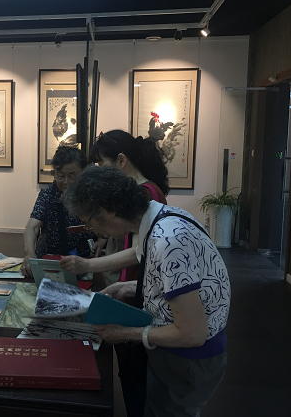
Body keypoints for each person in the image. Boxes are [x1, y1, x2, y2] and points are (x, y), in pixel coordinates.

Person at [63, 166, 230, 417]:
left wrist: (125, 333)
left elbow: (193, 333)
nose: (94, 230)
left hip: (187, 358)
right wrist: (127, 286)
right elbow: (170, 280)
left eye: (89, 222)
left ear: (107, 211)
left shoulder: (168, 240)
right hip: (177, 353)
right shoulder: (161, 218)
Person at [60, 130, 169, 288]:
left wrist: (87, 265)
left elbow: (137, 251)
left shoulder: (145, 193)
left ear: (121, 160)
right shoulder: (142, 189)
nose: (101, 172)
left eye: (102, 165)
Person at [21, 146, 94, 277]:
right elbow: (32, 227)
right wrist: (29, 254)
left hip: (85, 261)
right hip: (51, 261)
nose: (66, 181)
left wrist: (102, 241)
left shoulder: (91, 194)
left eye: (72, 176)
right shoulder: (48, 195)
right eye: (60, 176)